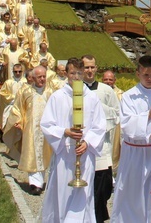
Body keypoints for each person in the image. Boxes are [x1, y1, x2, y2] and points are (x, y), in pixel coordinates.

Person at [40, 57, 106, 223]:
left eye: (79, 73)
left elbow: (99, 126)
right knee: (63, 193)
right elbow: (47, 124)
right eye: (72, 73)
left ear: (83, 74)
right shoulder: (57, 97)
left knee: (84, 195)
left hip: (85, 153)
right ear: (66, 74)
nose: (76, 77)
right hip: (65, 152)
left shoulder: (91, 98)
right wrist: (65, 131)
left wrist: (87, 142)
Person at [111, 56, 151, 222]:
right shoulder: (129, 96)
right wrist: (147, 115)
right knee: (132, 197)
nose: (150, 79)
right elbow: (126, 125)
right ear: (138, 74)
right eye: (146, 75)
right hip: (135, 153)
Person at [4, 65, 56, 195]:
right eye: (39, 77)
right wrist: (18, 121)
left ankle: (43, 180)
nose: (42, 79)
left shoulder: (51, 92)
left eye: (44, 76)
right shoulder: (25, 92)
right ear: (32, 78)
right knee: (32, 154)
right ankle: (35, 183)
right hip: (30, 129)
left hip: (47, 129)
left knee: (45, 154)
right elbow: (17, 108)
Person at [81, 55, 120, 222]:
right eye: (86, 67)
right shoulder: (76, 90)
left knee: (102, 188)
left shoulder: (106, 90)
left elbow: (117, 114)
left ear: (96, 69)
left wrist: (97, 107)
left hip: (102, 147)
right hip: (82, 146)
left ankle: (99, 216)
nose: (89, 71)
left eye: (92, 67)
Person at [101, 70, 124, 174]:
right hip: (102, 126)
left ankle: (114, 173)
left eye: (110, 79)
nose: (108, 81)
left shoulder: (121, 94)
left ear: (114, 80)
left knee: (114, 150)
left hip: (116, 127)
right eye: (105, 79)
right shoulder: (98, 92)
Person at [0, 64, 27, 129]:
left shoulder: (25, 82)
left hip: (22, 107)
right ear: (13, 71)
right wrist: (13, 98)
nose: (18, 73)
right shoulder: (8, 82)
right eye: (15, 71)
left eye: (19, 71)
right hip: (11, 106)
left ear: (22, 71)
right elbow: (2, 93)